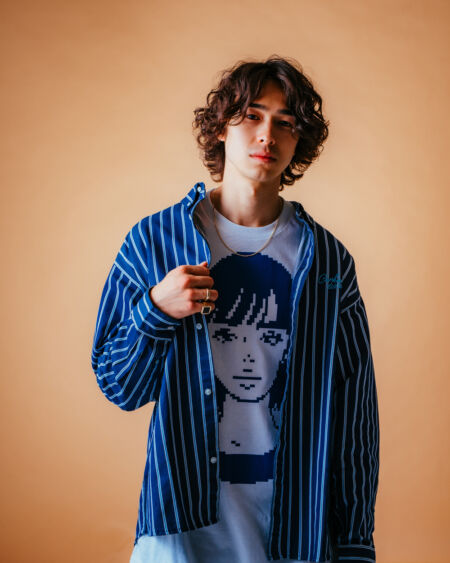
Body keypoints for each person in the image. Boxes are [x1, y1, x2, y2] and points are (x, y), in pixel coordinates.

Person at [91, 55, 380, 563]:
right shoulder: (155, 241)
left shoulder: (327, 262)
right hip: (178, 533)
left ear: (298, 142)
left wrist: (356, 544)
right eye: (252, 115)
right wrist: (156, 311)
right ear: (221, 126)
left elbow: (355, 418)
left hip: (293, 535)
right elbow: (119, 387)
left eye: (285, 123)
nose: (267, 134)